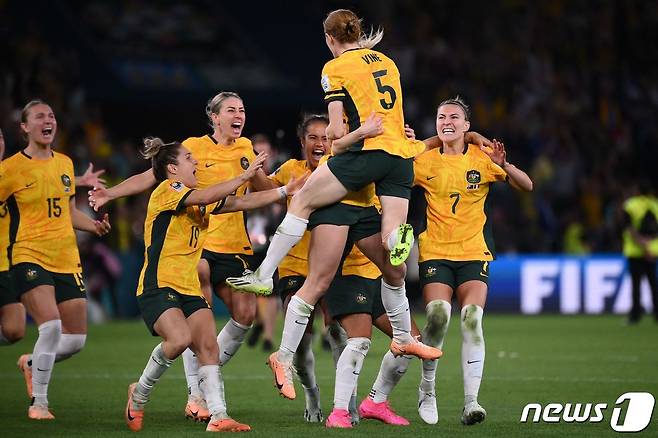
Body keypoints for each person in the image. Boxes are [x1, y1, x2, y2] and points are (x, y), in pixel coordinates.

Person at [88, 91, 273, 421]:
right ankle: (192, 393)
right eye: (231, 109)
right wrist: (111, 193)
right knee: (189, 327)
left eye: (242, 109)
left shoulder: (246, 149)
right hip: (193, 256)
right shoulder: (188, 157)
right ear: (214, 117)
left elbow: (249, 197)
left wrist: (292, 188)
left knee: (238, 319)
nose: (239, 115)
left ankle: (216, 412)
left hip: (234, 245)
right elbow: (154, 177)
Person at [120, 137, 304, 432]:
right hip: (159, 284)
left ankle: (219, 416)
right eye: (188, 159)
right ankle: (139, 394)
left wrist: (283, 191)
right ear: (172, 169)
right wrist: (243, 176)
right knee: (179, 340)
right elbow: (209, 198)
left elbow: (240, 201)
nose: (195, 163)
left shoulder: (196, 196)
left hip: (188, 286)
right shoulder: (168, 191)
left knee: (208, 348)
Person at [412, 97, 533, 425]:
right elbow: (392, 176)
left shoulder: (483, 157)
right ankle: (427, 389)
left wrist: (504, 164)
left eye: (454, 117)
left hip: (473, 252)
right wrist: (425, 142)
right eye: (440, 117)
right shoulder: (422, 161)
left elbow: (527, 185)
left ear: (467, 125)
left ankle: (471, 402)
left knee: (471, 320)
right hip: (436, 251)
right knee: (437, 316)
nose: (446, 121)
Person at [0, 100, 111, 420]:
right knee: (49, 327)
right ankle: (39, 403)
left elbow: (69, 211)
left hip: (66, 258)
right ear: (24, 127)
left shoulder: (64, 163)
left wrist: (94, 225)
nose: (48, 120)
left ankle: (32, 363)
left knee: (75, 341)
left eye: (51, 115)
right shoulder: (9, 169)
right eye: (39, 116)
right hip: (28, 255)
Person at [622, 181, 658, 324]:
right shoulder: (655, 204)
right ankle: (657, 313)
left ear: (636, 190)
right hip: (653, 251)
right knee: (653, 283)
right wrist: (649, 247)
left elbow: (628, 228)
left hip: (635, 251)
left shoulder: (631, 205)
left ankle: (635, 315)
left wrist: (642, 244)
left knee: (636, 285)